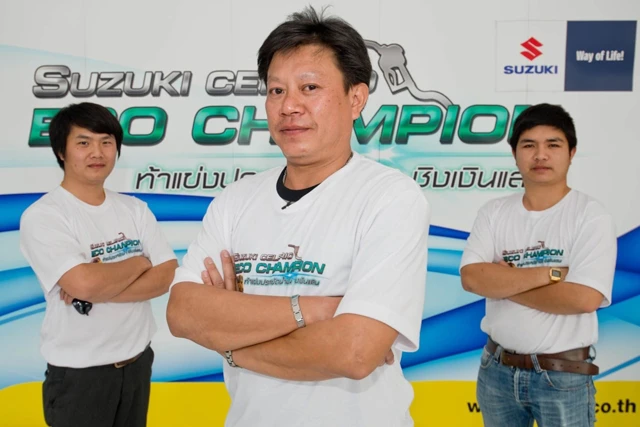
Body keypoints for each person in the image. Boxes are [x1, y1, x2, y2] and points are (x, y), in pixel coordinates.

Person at [166, 6, 430, 427]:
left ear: (356, 98)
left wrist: (230, 341)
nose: (289, 106)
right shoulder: (236, 201)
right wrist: (316, 309)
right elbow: (182, 313)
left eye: (310, 87)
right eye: (276, 90)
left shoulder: (389, 197)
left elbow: (354, 352)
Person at [20, 102, 178, 427]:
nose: (97, 152)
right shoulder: (44, 216)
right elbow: (84, 283)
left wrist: (97, 287)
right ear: (61, 151)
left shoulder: (134, 209)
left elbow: (166, 275)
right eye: (84, 142)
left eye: (106, 142)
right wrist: (139, 262)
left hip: (137, 364)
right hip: (80, 375)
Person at [460, 103, 616, 426]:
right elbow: (472, 278)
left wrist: (504, 282)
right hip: (496, 372)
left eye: (553, 145)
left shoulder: (590, 216)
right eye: (529, 145)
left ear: (571, 153)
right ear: (515, 154)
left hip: (562, 377)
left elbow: (583, 299)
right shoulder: (494, 213)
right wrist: (551, 275)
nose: (540, 155)